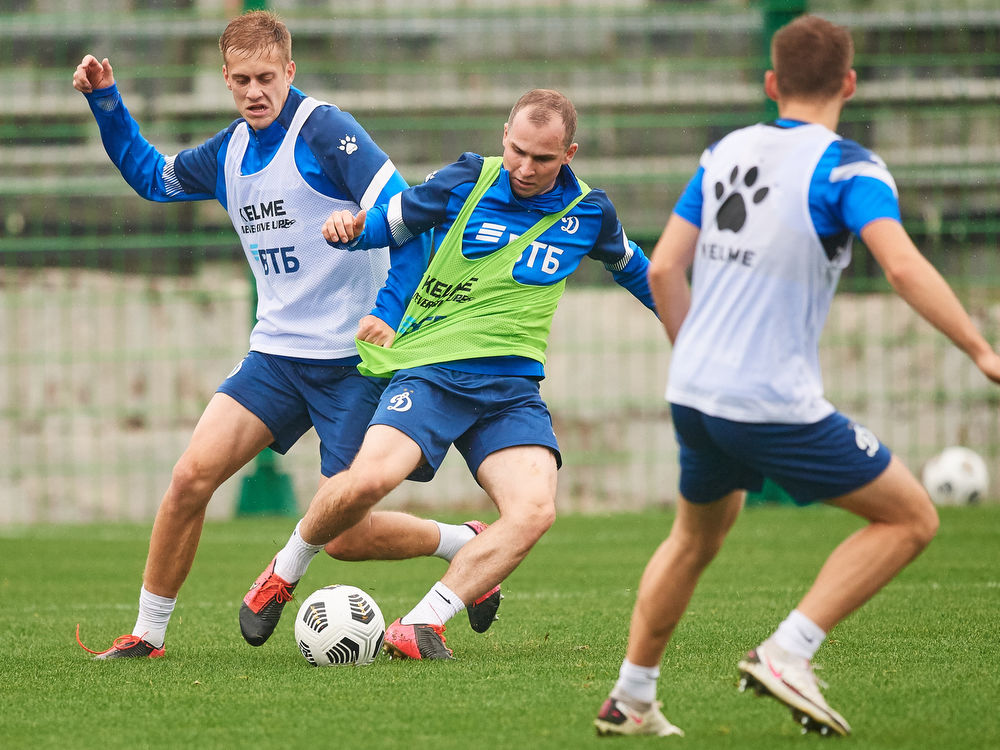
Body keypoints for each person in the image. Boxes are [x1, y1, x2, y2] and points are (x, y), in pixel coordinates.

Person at [593, 14, 1000, 738]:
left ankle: (631, 697)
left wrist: (693, 353)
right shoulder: (849, 168)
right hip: (767, 400)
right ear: (849, 83)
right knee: (911, 517)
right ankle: (789, 650)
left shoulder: (724, 151)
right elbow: (903, 266)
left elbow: (662, 267)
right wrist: (981, 349)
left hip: (693, 391)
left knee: (693, 540)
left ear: (772, 84)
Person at [69, 9, 457, 659]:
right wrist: (107, 103)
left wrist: (388, 313)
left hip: (353, 363)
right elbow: (153, 178)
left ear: (290, 72)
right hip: (276, 357)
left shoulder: (328, 132)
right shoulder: (228, 152)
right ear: (225, 79)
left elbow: (408, 216)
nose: (256, 91)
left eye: (268, 78)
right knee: (191, 476)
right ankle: (147, 635)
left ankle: (463, 543)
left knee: (344, 538)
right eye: (243, 79)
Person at [238, 88, 658, 660]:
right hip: (431, 373)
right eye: (517, 151)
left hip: (511, 391)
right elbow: (394, 222)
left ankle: (421, 623)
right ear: (503, 135)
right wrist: (351, 229)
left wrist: (692, 320)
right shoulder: (467, 178)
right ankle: (285, 570)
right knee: (365, 484)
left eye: (543, 159)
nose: (525, 168)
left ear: (570, 153)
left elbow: (634, 268)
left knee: (535, 511)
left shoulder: (589, 211)